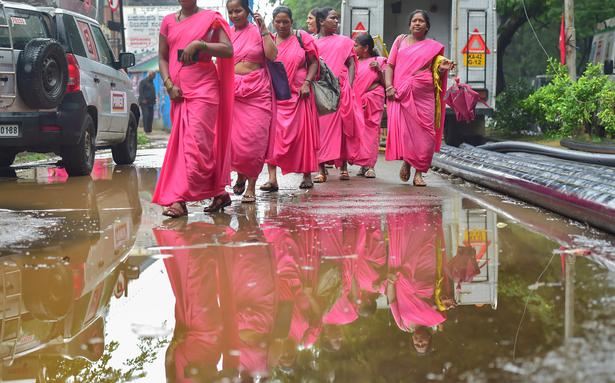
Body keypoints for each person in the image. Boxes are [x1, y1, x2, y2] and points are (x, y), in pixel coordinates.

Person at [152, 0, 234, 217]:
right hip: (177, 91)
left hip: (205, 89)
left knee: (196, 145)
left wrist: (201, 45)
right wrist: (168, 84)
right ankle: (199, 196)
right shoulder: (168, 22)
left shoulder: (212, 18)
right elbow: (162, 57)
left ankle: (183, 197)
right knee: (182, 146)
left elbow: (227, 49)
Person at [385, 9, 455, 187]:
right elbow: (390, 65)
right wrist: (389, 86)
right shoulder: (400, 41)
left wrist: (443, 68)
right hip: (402, 93)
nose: (417, 23)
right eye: (414, 20)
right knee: (407, 134)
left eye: (421, 21)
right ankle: (408, 162)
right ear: (409, 24)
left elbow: (436, 71)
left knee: (427, 135)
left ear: (427, 26)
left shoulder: (433, 47)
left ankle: (419, 173)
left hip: (425, 95)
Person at [261, 6, 320, 191]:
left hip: (300, 94)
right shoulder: (269, 40)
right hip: (276, 95)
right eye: (278, 21)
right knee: (273, 138)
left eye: (285, 21)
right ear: (273, 21)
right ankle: (272, 179)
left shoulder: (302, 38)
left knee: (302, 137)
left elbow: (314, 62)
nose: (281, 25)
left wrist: (307, 83)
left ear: (292, 22)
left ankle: (307, 175)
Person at [227, 0, 277, 203]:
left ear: (247, 10)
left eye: (238, 10)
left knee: (254, 141)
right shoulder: (226, 33)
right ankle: (239, 175)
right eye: (230, 12)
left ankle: (251, 186)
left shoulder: (258, 31)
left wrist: (264, 29)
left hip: (257, 92)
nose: (234, 15)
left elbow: (272, 55)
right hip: (232, 92)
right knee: (235, 143)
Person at [313, 7, 364, 183]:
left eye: (337, 19)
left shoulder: (344, 42)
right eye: (333, 18)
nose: (336, 22)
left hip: (341, 90)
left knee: (343, 129)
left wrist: (349, 86)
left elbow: (351, 63)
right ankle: (321, 169)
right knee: (319, 129)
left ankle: (343, 167)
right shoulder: (311, 43)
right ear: (321, 21)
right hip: (321, 92)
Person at [353, 34, 386, 178]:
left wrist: (379, 70)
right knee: (358, 131)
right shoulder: (353, 62)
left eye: (356, 45)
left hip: (373, 98)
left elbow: (387, 84)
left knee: (372, 131)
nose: (353, 48)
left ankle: (370, 165)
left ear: (366, 48)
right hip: (357, 101)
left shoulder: (379, 61)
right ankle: (362, 164)